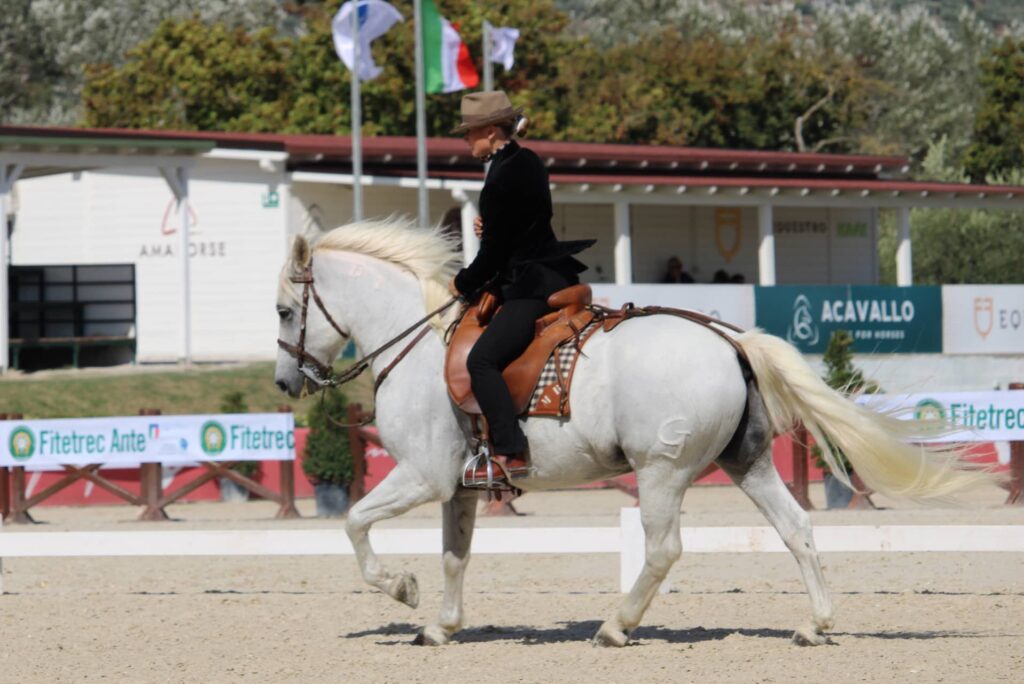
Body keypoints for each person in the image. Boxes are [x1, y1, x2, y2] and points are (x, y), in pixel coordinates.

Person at [447, 91, 595, 482]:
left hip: (530, 283)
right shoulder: (525, 160)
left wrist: (463, 282)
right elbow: (523, 224)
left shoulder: (502, 174)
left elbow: (496, 252)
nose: (465, 140)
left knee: (481, 361)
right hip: (550, 269)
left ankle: (509, 453)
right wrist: (491, 226)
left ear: (492, 131)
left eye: (469, 133)